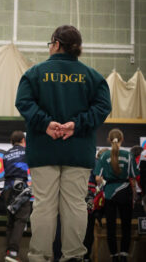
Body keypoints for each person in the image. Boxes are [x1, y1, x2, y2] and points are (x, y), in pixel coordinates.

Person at [15, 25, 112, 262]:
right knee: (75, 206)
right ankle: (73, 257)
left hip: (43, 148)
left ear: (56, 44)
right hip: (78, 150)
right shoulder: (93, 77)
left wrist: (46, 124)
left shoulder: (35, 74)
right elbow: (102, 108)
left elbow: (23, 102)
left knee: (44, 206)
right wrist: (76, 125)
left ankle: (40, 257)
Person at [95, 129, 139, 262]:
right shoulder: (129, 155)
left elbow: (97, 178)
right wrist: (135, 194)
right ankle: (124, 255)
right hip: (125, 193)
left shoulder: (103, 156)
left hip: (109, 194)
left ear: (109, 139)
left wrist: (105, 183)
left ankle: (114, 256)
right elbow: (134, 176)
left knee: (111, 226)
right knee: (126, 226)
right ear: (122, 139)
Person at [2, 131, 31, 262]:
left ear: (11, 142)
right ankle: (13, 253)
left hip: (7, 188)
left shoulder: (6, 154)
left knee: (11, 221)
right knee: (21, 220)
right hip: (21, 187)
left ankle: (8, 253)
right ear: (23, 141)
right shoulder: (27, 152)